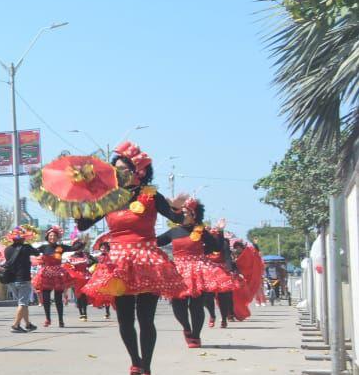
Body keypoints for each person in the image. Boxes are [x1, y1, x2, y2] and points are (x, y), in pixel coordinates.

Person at [76, 142, 187, 375]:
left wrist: (178, 208)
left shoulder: (150, 194)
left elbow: (177, 219)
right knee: (125, 320)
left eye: (123, 169)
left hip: (147, 260)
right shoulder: (109, 197)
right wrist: (81, 202)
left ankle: (146, 366)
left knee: (146, 319)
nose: (118, 173)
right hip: (118, 262)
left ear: (140, 171)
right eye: (115, 169)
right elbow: (84, 224)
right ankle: (136, 360)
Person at [156, 197, 236, 348]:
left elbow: (216, 247)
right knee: (178, 304)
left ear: (194, 215)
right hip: (178, 271)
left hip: (198, 271)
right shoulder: (174, 231)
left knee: (196, 306)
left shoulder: (200, 231)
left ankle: (196, 335)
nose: (183, 215)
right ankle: (186, 328)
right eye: (182, 212)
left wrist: (220, 231)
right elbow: (156, 242)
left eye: (186, 212)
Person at [33, 226, 79, 327]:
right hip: (46, 274)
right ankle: (48, 319)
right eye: (50, 235)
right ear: (47, 237)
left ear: (57, 237)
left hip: (58, 274)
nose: (52, 237)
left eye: (54, 236)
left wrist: (79, 242)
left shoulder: (60, 247)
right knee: (46, 298)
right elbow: (33, 251)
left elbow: (74, 248)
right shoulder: (43, 247)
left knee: (58, 298)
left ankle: (61, 320)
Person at [1, 226, 41, 333]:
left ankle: (28, 324)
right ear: (23, 238)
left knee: (23, 303)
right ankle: (15, 325)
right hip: (23, 279)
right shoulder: (26, 247)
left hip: (11, 280)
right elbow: (37, 253)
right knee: (22, 303)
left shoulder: (7, 249)